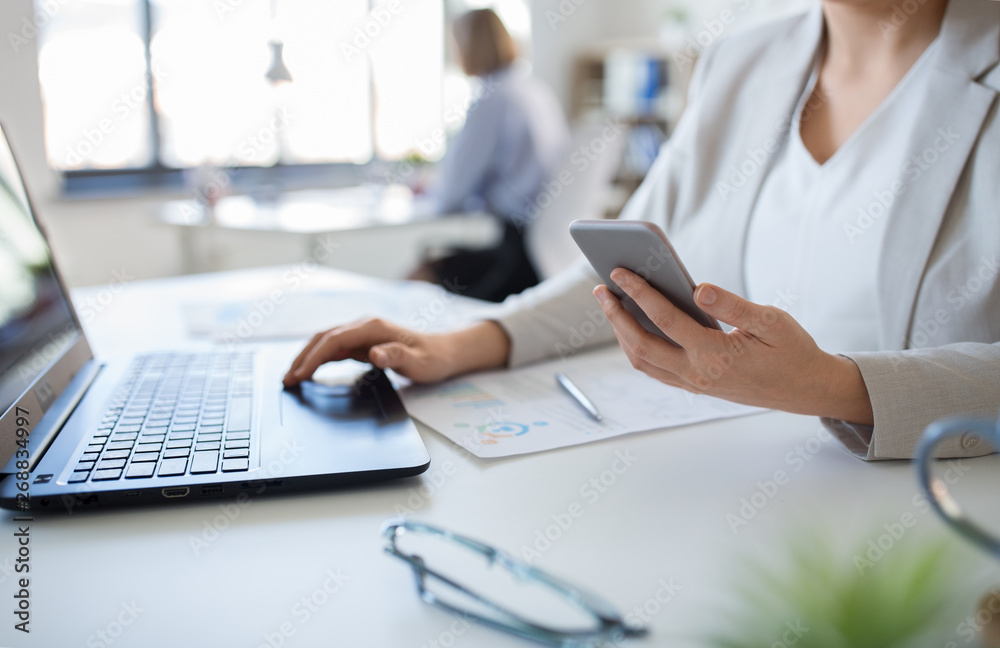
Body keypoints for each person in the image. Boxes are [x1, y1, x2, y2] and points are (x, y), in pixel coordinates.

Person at [287, 0, 1000, 461]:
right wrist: (461, 344)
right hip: (744, 488)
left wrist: (836, 387)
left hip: (945, 511)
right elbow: (632, 274)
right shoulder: (743, 62)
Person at [411, 8, 570, 302]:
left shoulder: (491, 100)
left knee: (418, 275)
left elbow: (450, 198)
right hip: (552, 251)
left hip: (519, 256)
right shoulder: (535, 90)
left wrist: (427, 188)